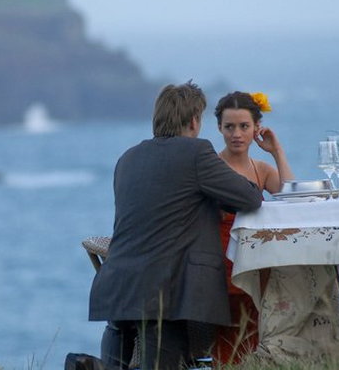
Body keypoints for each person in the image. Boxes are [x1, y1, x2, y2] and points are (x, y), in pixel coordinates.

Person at [88, 81, 264, 370]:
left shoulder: (128, 158)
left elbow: (165, 205)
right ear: (194, 121)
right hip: (170, 293)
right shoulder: (195, 153)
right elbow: (250, 197)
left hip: (119, 286)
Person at [212, 91, 294, 363]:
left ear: (256, 128)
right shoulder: (210, 167)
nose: (236, 133)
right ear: (219, 128)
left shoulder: (262, 169)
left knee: (256, 340)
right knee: (225, 343)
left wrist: (277, 150)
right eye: (229, 127)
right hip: (219, 269)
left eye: (244, 126)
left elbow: (292, 198)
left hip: (256, 266)